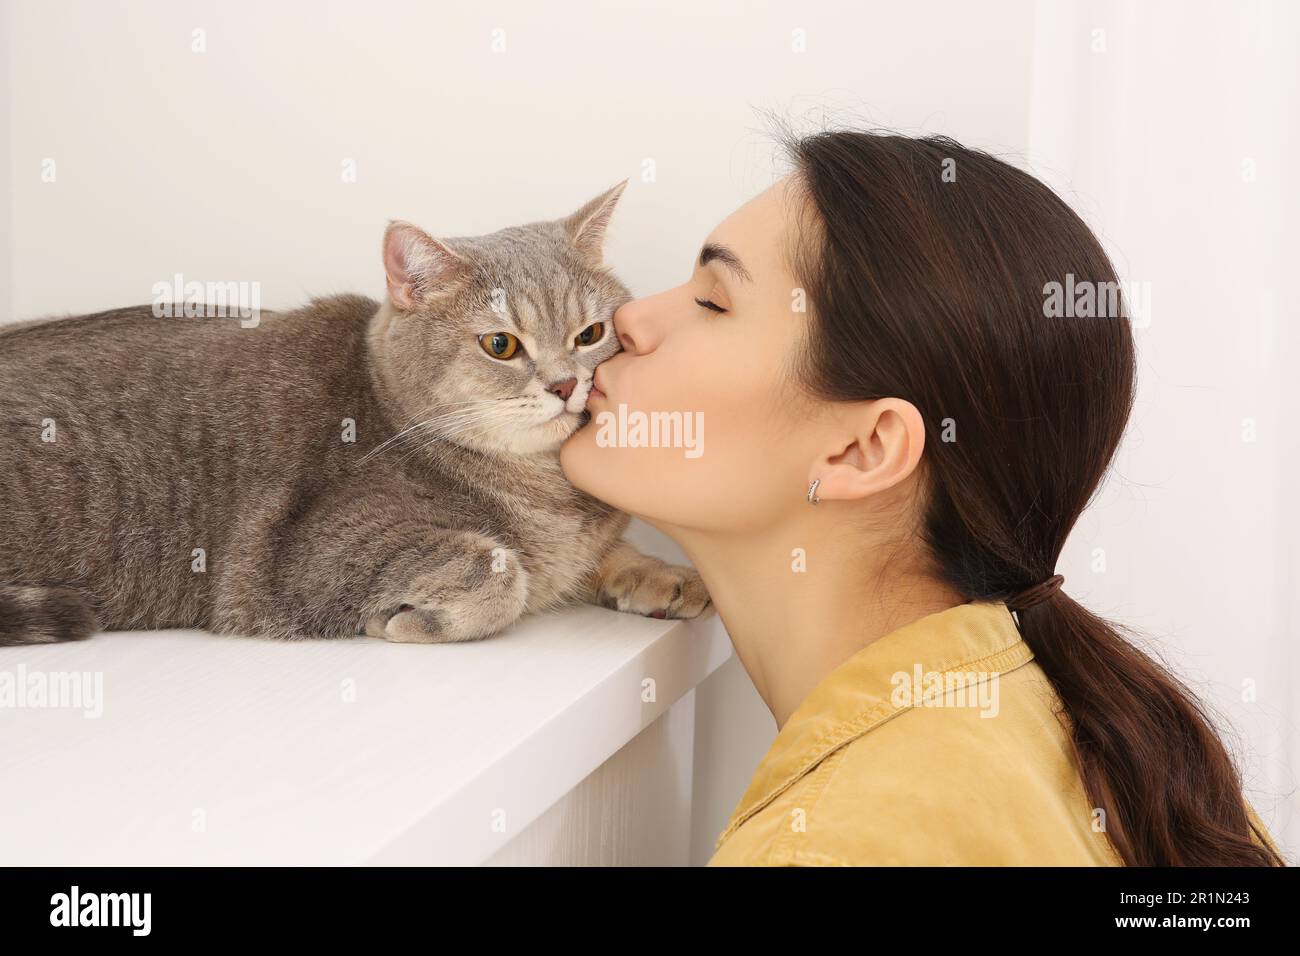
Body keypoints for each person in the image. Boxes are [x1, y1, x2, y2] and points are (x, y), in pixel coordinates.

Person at [559, 128, 1284, 866]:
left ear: (863, 449)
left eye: (713, 302)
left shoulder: (833, 847)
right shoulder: (1117, 759)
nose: (629, 319)